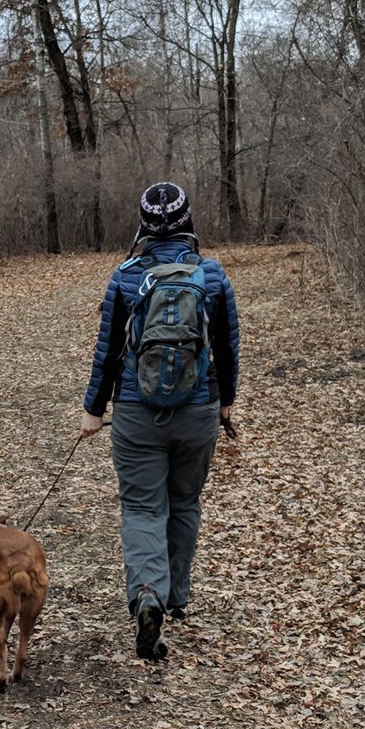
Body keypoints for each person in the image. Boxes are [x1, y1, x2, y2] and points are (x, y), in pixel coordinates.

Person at [79, 183, 239, 661]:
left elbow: (107, 352)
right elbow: (228, 348)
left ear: (144, 225)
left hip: (135, 412)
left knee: (144, 508)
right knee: (185, 501)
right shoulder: (211, 276)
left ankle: (148, 592)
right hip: (198, 410)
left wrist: (94, 409)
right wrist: (226, 402)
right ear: (188, 220)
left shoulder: (126, 277)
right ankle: (174, 597)